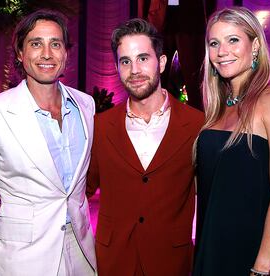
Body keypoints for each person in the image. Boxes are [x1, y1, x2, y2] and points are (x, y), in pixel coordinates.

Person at [0, 10, 96, 276]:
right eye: (36, 44)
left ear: (66, 54)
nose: (47, 54)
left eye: (55, 44)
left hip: (81, 252)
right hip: (23, 260)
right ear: (20, 54)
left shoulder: (85, 105)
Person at [86, 18, 204, 276]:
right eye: (125, 61)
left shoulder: (197, 124)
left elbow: (211, 195)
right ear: (117, 68)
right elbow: (80, 191)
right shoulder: (100, 126)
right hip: (114, 262)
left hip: (171, 263)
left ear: (160, 63)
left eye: (142, 58)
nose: (134, 70)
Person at [193, 7, 270, 276]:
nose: (222, 51)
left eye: (233, 40)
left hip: (248, 256)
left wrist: (261, 267)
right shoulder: (216, 110)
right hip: (209, 249)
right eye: (214, 43)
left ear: (255, 46)